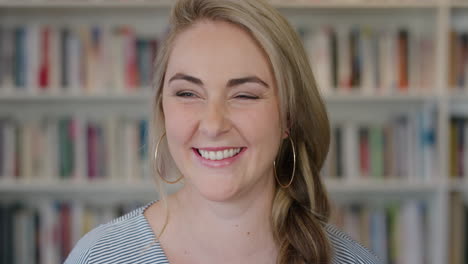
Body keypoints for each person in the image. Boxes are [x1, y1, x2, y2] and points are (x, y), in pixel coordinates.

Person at [65, 0, 381, 263]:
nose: (213, 125)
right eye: (188, 93)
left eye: (244, 95)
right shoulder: (98, 256)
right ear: (163, 108)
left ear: (288, 116)